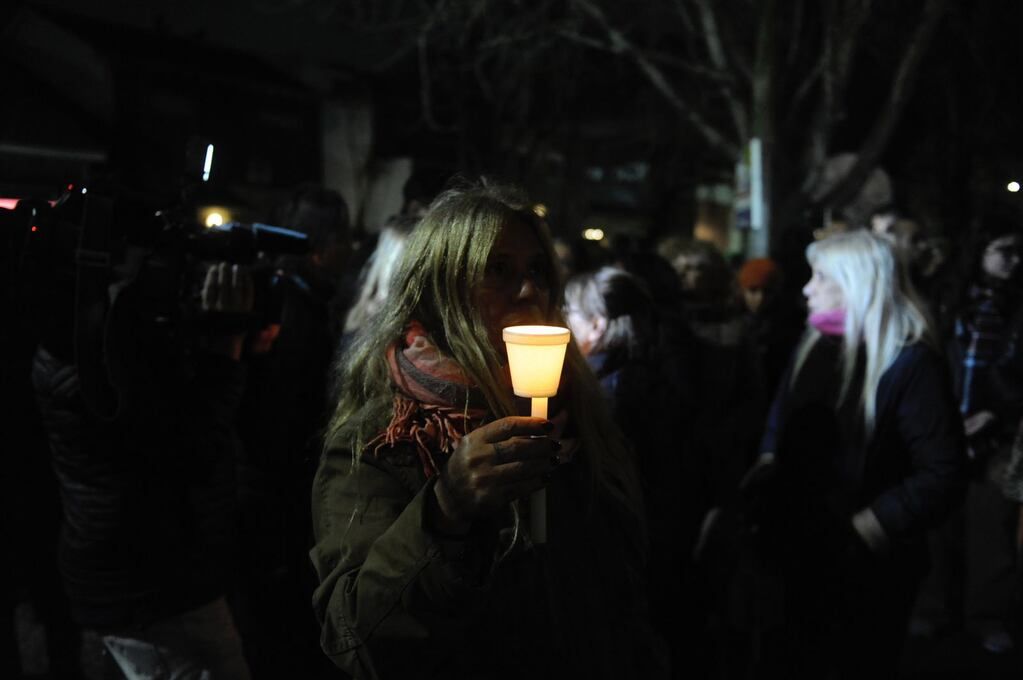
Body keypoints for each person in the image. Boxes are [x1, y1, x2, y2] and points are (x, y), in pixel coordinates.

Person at [309, 179, 666, 679]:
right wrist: (444, 510)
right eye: (498, 270)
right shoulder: (385, 435)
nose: (528, 290)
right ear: (440, 288)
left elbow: (618, 589)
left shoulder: (579, 411)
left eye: (537, 270)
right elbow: (357, 640)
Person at [743, 229, 967, 677]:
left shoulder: (908, 361)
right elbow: (778, 420)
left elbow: (942, 471)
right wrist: (768, 470)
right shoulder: (811, 343)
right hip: (794, 554)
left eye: (820, 276)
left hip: (865, 571)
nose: (806, 288)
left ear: (856, 283)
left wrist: (868, 528)